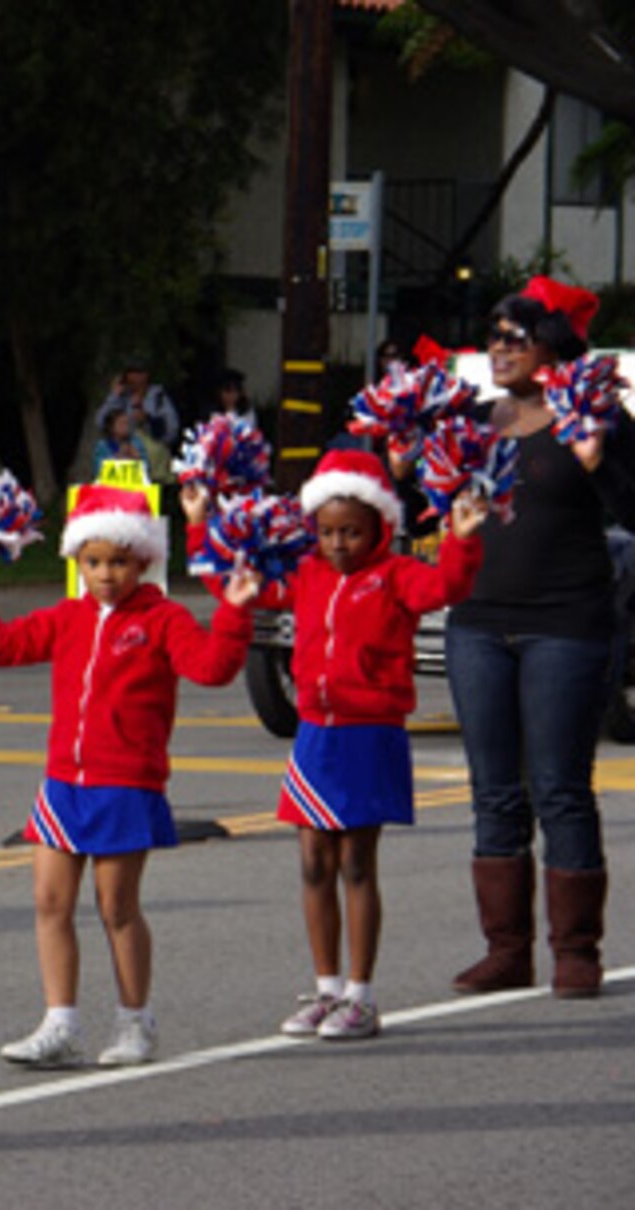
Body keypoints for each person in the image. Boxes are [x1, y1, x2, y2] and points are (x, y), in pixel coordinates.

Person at [0, 486, 256, 1068]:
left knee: (116, 906)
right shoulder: (66, 619)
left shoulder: (163, 619)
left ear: (143, 560)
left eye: (118, 561)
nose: (106, 574)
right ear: (76, 563)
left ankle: (135, 1023)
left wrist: (236, 610)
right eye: (93, 562)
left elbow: (213, 668)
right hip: (64, 782)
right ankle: (59, 1023)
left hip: (126, 782)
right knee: (48, 901)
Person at [186, 452, 486, 1039]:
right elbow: (229, 582)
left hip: (369, 734)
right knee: (312, 862)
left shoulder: (396, 575)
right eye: (326, 532)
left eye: (351, 531)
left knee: (355, 862)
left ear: (379, 526)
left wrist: (462, 538)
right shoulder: (305, 573)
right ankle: (324, 989)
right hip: (315, 736)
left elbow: (446, 586)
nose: (338, 543)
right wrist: (200, 523)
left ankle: (361, 994)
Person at [446, 277, 635, 1000]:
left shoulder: (594, 418)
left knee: (559, 788)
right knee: (494, 792)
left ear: (551, 344)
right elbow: (423, 500)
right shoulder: (473, 422)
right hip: (477, 624)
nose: (498, 347)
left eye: (515, 335)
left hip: (567, 624)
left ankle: (576, 950)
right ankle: (506, 950)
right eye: (492, 335)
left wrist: (599, 461)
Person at [93, 358, 181, 449]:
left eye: (137, 372)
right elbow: (100, 422)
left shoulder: (158, 396)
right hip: (121, 454)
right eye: (130, 372)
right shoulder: (121, 397)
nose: (133, 377)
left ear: (145, 375)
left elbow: (172, 432)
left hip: (148, 454)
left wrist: (148, 420)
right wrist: (114, 395)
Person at [91, 406, 144, 478]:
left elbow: (145, 469)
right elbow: (98, 470)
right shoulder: (102, 446)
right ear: (111, 427)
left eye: (127, 423)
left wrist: (137, 458)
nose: (126, 427)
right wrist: (119, 456)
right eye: (122, 423)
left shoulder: (136, 442)